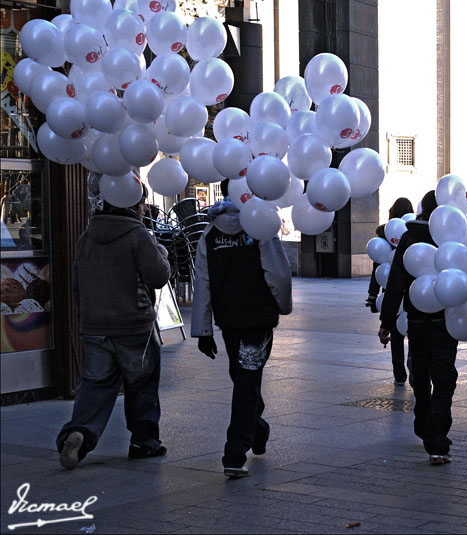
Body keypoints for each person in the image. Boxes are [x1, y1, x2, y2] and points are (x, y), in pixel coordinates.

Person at [57, 184, 171, 470]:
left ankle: (79, 432)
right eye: (142, 204)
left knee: (95, 385)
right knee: (142, 383)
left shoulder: (87, 236)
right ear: (133, 206)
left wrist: (86, 317)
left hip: (94, 325)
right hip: (132, 326)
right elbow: (158, 276)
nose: (145, 209)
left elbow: (76, 283)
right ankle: (144, 442)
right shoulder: (137, 235)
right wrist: (163, 254)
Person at [191, 178, 292, 478]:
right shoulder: (260, 226)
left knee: (244, 378)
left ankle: (256, 430)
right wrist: (283, 306)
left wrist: (203, 330)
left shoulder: (209, 234)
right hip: (257, 320)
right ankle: (235, 452)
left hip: (229, 321)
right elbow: (278, 273)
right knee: (247, 381)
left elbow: (203, 284)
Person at [379, 191, 458, 465]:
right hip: (445, 322)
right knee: (444, 377)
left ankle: (423, 424)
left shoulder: (409, 237)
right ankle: (436, 439)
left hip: (415, 321)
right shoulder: (450, 237)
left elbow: (396, 281)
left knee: (421, 374)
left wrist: (387, 321)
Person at [366, 197, 415, 385]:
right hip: (411, 291)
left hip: (391, 291)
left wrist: (372, 296)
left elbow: (377, 270)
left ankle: (399, 373)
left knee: (395, 333)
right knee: (411, 330)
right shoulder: (413, 234)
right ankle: (412, 363)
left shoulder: (385, 236)